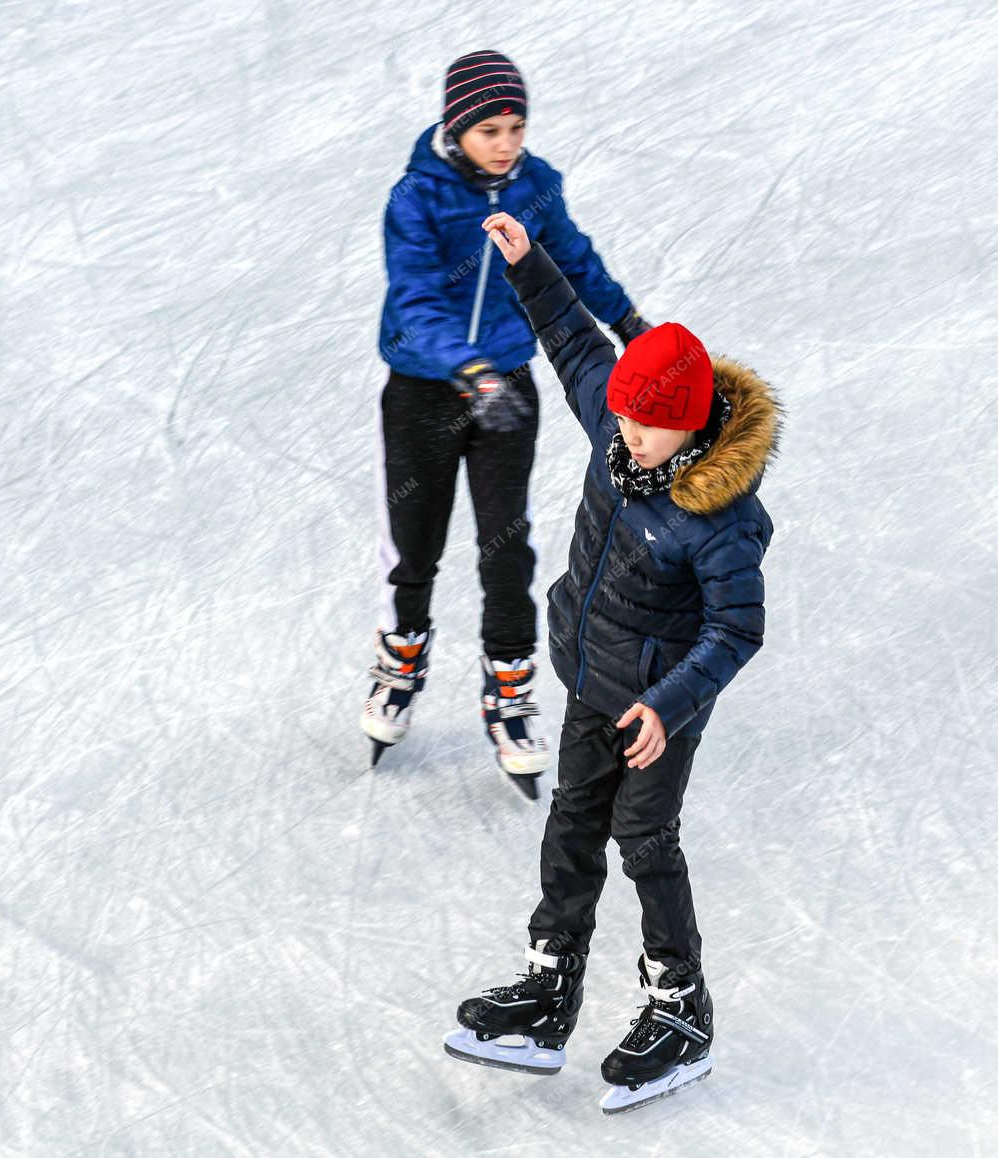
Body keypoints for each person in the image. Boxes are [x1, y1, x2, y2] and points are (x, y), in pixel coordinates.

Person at [442, 211, 782, 1114]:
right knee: (570, 826)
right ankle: (550, 989)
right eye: (623, 419)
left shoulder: (722, 518)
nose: (625, 436)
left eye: (646, 427)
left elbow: (737, 630)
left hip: (656, 707)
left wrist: (669, 705)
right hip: (594, 673)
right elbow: (571, 340)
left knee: (643, 840)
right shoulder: (620, 424)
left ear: (691, 428)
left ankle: (682, 1009)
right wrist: (529, 265)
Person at [362, 49, 652, 791]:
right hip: (426, 391)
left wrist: (631, 325)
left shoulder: (536, 187)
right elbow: (416, 299)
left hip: (508, 390)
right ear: (457, 129)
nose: (507, 142)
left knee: (506, 545)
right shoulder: (416, 199)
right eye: (490, 128)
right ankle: (404, 655)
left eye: (517, 125)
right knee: (418, 541)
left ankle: (509, 684)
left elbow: (575, 261)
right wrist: (468, 369)